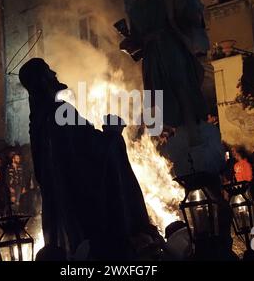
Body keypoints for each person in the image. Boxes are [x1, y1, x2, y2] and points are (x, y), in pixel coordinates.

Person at [19, 58, 153, 260]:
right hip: (83, 205)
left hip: (61, 205)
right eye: (48, 71)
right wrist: (113, 133)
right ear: (42, 80)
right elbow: (91, 151)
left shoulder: (37, 120)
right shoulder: (60, 112)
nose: (54, 74)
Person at [120, 0, 209, 146]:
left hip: (170, 44)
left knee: (181, 83)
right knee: (161, 94)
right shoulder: (134, 8)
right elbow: (138, 37)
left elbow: (181, 6)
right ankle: (178, 132)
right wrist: (129, 42)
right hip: (153, 54)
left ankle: (192, 127)